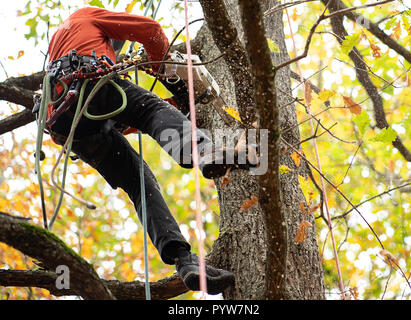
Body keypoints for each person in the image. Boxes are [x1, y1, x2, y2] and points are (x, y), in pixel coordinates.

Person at [44, 7, 255, 295]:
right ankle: (204, 152)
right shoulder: (87, 17)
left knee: (140, 183)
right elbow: (150, 29)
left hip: (70, 127)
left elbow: (128, 117)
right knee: (152, 109)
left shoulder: (62, 46)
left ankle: (184, 260)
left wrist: (175, 108)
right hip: (90, 85)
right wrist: (164, 69)